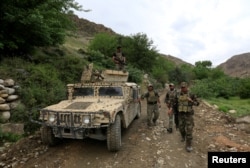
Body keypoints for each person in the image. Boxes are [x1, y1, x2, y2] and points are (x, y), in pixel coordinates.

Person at [176, 82, 199, 152]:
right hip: (180, 115)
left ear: (187, 87)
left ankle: (188, 144)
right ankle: (183, 136)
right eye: (182, 87)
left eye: (184, 87)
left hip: (188, 115)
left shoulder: (191, 94)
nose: (183, 89)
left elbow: (197, 103)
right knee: (181, 128)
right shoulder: (178, 94)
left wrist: (191, 100)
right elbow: (174, 102)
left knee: (189, 129)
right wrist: (171, 110)